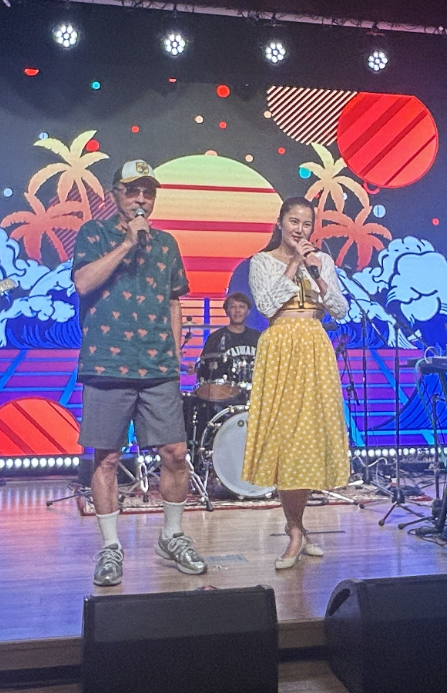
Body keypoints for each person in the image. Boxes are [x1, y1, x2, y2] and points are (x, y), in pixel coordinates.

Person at [72, 159, 206, 587]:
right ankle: (111, 546)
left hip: (158, 365)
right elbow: (83, 283)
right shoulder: (94, 233)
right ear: (116, 193)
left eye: (148, 191)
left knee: (176, 454)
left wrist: (175, 346)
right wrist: (128, 243)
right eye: (132, 190)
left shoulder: (166, 243)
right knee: (108, 458)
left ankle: (172, 535)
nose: (141, 199)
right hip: (106, 364)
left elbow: (174, 298)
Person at [243, 197, 350, 569]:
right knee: (285, 440)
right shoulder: (262, 261)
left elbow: (340, 310)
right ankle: (295, 530)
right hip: (281, 348)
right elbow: (266, 306)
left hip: (315, 346)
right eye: (294, 221)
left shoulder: (323, 262)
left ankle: (297, 528)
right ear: (280, 222)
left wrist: (318, 273)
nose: (300, 230)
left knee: (308, 438)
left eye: (306, 224)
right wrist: (292, 265)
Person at [197, 291, 260, 383]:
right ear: (227, 311)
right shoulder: (215, 338)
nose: (237, 310)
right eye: (233, 306)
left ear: (248, 311)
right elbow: (204, 367)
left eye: (241, 306)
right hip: (225, 389)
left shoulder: (257, 337)